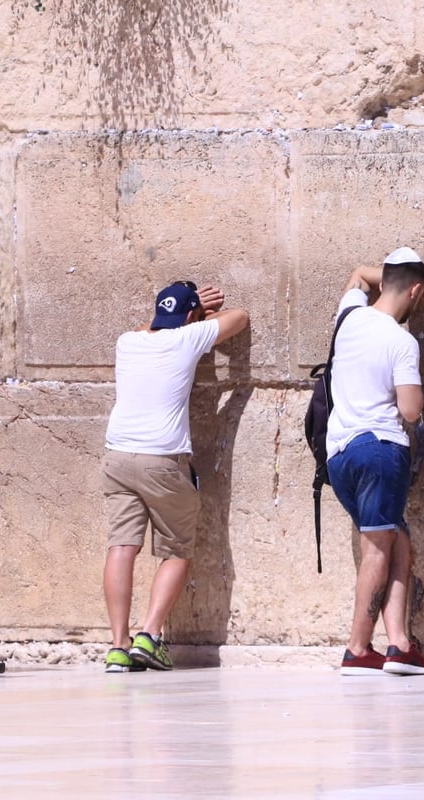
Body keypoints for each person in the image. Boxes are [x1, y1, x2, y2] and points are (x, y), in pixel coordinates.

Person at [101, 280, 249, 673]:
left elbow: (144, 327)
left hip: (117, 457)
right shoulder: (188, 338)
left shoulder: (127, 343)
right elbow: (240, 318)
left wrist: (187, 310)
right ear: (189, 317)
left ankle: (118, 645)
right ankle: (149, 637)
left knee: (121, 547)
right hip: (163, 460)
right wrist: (201, 312)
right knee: (177, 549)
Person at [328, 246, 424, 676]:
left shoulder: (349, 316)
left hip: (340, 454)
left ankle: (398, 645)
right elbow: (410, 411)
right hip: (380, 449)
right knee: (377, 549)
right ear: (415, 289)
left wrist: (406, 279)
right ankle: (358, 647)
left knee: (398, 544)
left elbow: (359, 272)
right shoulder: (401, 341)